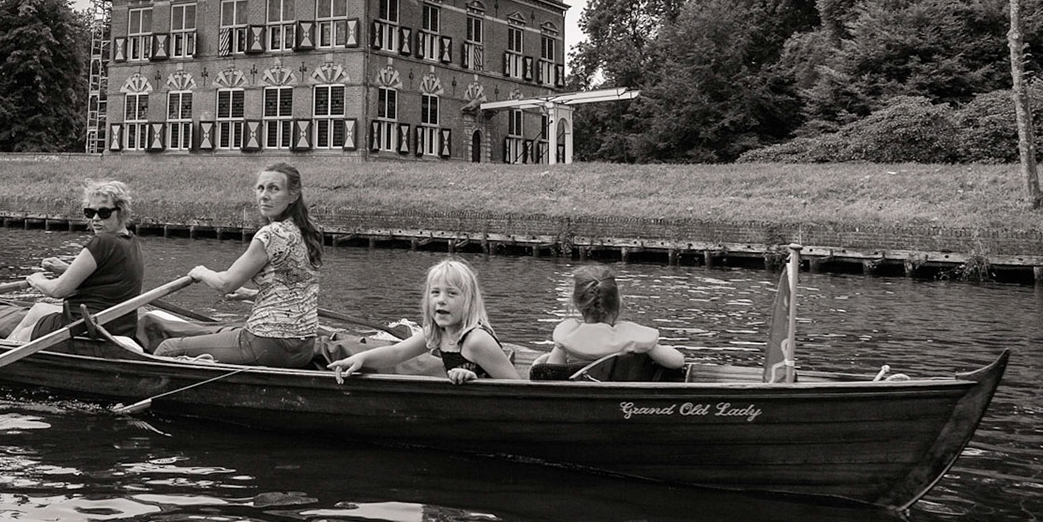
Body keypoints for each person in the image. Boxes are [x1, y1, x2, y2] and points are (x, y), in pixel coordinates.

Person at [152, 163, 321, 367]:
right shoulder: (308, 232)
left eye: (274, 189)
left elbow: (226, 283)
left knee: (168, 348)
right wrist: (249, 294)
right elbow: (294, 289)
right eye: (260, 188)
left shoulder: (271, 234)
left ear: (293, 196)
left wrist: (202, 272)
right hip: (303, 348)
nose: (264, 196)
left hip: (268, 343)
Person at [330, 258, 520, 383]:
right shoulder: (438, 333)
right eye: (435, 292)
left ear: (469, 302)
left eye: (452, 293)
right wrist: (360, 358)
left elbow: (518, 388)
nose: (441, 300)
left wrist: (474, 380)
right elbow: (397, 353)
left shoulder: (476, 340)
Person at [7, 179, 146, 342]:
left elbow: (57, 291)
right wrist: (67, 269)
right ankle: (0, 343)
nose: (95, 219)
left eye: (103, 213)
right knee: (38, 309)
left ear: (121, 212)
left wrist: (37, 280)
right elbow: (107, 276)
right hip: (118, 325)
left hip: (86, 327)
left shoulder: (103, 242)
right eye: (90, 212)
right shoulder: (130, 240)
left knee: (21, 337)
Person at [534, 264, 686, 373]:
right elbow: (677, 362)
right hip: (624, 398)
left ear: (576, 304)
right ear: (618, 302)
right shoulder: (632, 336)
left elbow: (553, 373)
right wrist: (660, 349)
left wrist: (540, 362)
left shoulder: (567, 337)